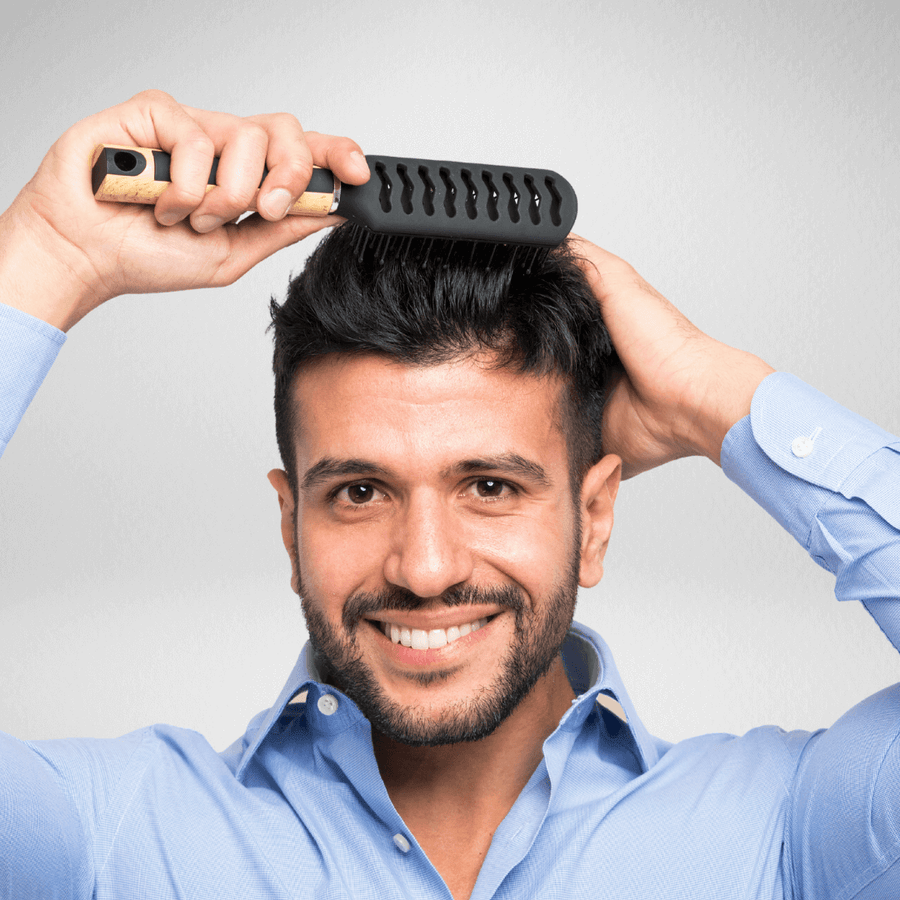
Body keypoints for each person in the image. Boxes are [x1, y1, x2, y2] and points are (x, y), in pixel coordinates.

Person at [0, 90, 897, 900]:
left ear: (593, 518)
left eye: (491, 486)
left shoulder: (784, 836)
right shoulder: (111, 841)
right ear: (290, 529)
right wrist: (47, 258)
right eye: (358, 492)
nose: (425, 568)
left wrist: (717, 395)